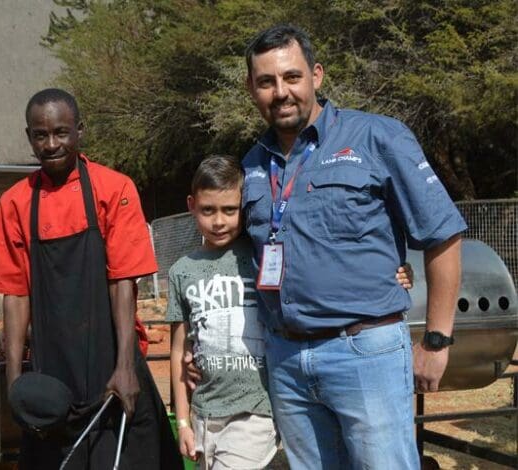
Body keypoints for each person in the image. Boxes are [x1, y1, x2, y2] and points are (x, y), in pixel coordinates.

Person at [239, 24, 466, 469]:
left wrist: (437, 341)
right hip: (287, 360)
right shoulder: (251, 163)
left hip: (365, 354)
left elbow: (442, 234)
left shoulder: (377, 138)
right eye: (266, 82)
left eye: (291, 77)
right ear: (251, 88)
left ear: (316, 76)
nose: (280, 92)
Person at [0, 88, 182, 469]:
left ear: (80, 131)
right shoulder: (15, 202)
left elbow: (122, 282)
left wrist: (125, 367)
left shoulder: (114, 189)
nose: (52, 144)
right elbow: (15, 295)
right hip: (52, 379)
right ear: (29, 137)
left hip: (113, 371)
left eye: (61, 132)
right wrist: (15, 386)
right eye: (41, 135)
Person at [168, 155, 278, 469]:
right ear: (192, 205)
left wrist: (393, 273)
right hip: (205, 412)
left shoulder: (262, 256)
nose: (219, 221)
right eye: (208, 210)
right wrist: (184, 423)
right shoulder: (181, 271)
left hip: (256, 410)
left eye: (230, 210)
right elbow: (178, 352)